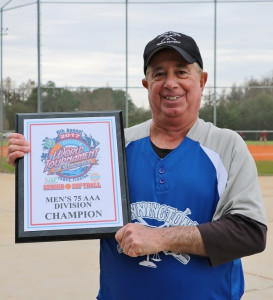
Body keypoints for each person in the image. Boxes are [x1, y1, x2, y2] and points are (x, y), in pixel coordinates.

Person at [7, 31, 267, 299]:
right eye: (159, 74)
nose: (170, 83)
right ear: (146, 84)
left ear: (202, 81)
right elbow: (72, 198)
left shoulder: (227, 146)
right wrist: (35, 167)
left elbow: (249, 232)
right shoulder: (113, 145)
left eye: (181, 72)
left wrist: (161, 238)